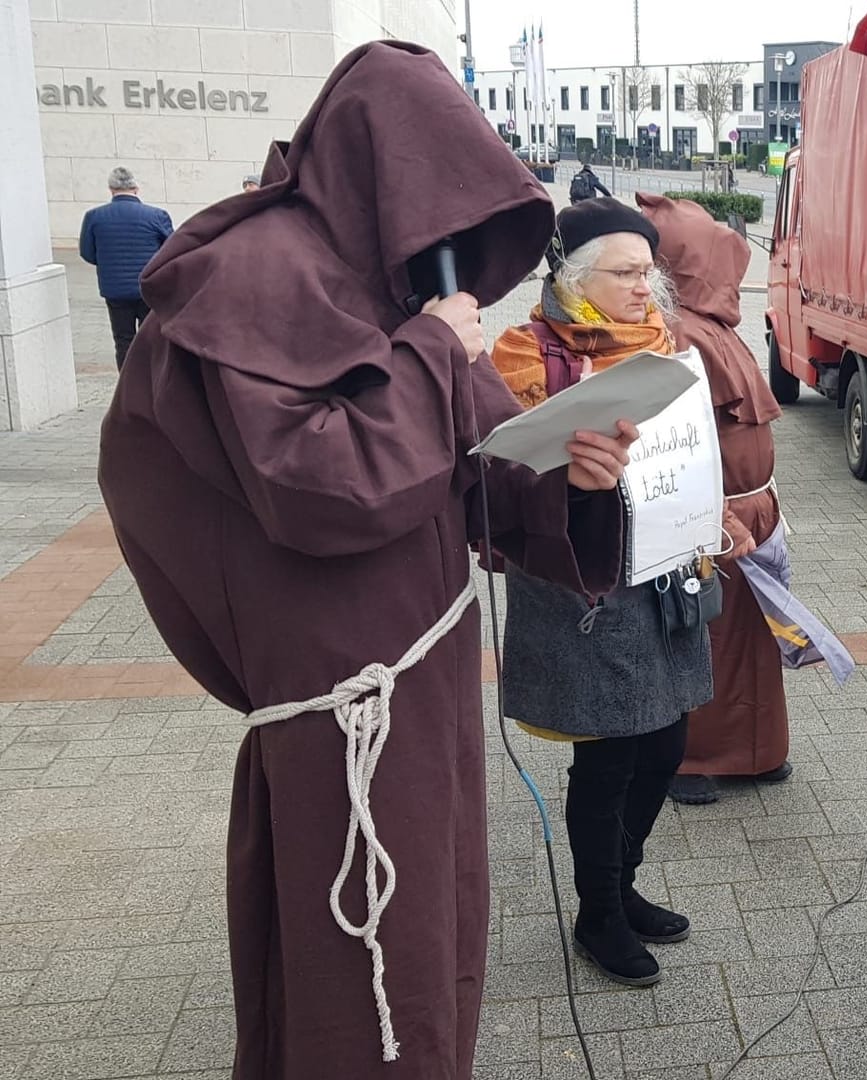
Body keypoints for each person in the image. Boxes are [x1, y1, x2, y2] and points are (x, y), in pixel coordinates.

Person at [96, 42, 641, 1078]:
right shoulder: (252, 278)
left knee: (435, 936)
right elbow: (317, 485)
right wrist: (435, 349)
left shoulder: (398, 294)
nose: (449, 248)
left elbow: (482, 451)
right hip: (344, 709)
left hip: (421, 690)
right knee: (364, 967)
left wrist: (574, 470)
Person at [487, 198, 713, 987]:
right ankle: (599, 913)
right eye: (624, 273)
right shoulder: (525, 355)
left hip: (663, 574)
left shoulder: (666, 346)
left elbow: (691, 457)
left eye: (648, 272)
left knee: (668, 744)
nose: (643, 288)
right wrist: (570, 479)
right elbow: (497, 482)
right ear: (574, 278)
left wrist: (722, 516)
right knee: (610, 754)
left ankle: (620, 883)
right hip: (583, 588)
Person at [634, 191, 794, 806]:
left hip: (754, 505)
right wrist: (715, 514)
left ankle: (758, 749)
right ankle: (693, 758)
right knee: (709, 635)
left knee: (752, 632)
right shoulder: (675, 334)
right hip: (712, 512)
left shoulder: (716, 328)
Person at [78, 167, 172, 369]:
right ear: (136, 189)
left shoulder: (94, 217)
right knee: (153, 338)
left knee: (123, 340)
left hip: (115, 289)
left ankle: (128, 387)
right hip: (149, 287)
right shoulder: (157, 216)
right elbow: (171, 250)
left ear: (111, 189)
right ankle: (153, 379)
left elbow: (87, 252)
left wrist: (109, 264)